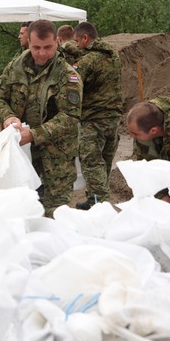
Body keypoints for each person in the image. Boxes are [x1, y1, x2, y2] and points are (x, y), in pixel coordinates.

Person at [0, 19, 83, 216]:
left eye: (48, 47)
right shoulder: (15, 68)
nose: (42, 53)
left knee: (56, 215)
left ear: (57, 42)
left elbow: (70, 117)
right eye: (36, 47)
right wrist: (8, 117)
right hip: (21, 155)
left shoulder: (67, 76)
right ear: (29, 43)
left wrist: (33, 134)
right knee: (19, 210)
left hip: (56, 160)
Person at [71, 21, 123, 209]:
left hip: (94, 118)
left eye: (77, 41)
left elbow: (72, 83)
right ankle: (93, 198)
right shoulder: (113, 54)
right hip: (114, 118)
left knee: (91, 161)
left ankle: (101, 204)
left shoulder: (88, 61)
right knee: (105, 161)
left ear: (85, 38)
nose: (76, 45)